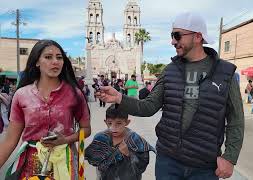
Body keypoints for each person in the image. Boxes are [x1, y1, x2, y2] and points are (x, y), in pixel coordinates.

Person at [96, 12, 244, 180]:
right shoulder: (170, 71)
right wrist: (119, 98)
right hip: (168, 162)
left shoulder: (225, 73)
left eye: (177, 36)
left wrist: (230, 157)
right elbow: (149, 106)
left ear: (197, 37)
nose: (173, 41)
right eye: (172, 36)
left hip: (204, 167)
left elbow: (236, 119)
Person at [0, 39, 91, 179]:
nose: (55, 61)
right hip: (31, 165)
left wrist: (65, 140)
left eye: (59, 57)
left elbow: (86, 129)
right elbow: (10, 141)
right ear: (37, 62)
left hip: (65, 162)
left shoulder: (74, 94)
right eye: (48, 57)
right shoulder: (21, 95)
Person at [85, 105, 155, 180]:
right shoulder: (100, 138)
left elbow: (142, 166)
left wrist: (128, 154)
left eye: (118, 123)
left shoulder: (135, 140)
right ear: (105, 122)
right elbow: (94, 161)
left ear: (127, 122)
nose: (114, 128)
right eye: (110, 123)